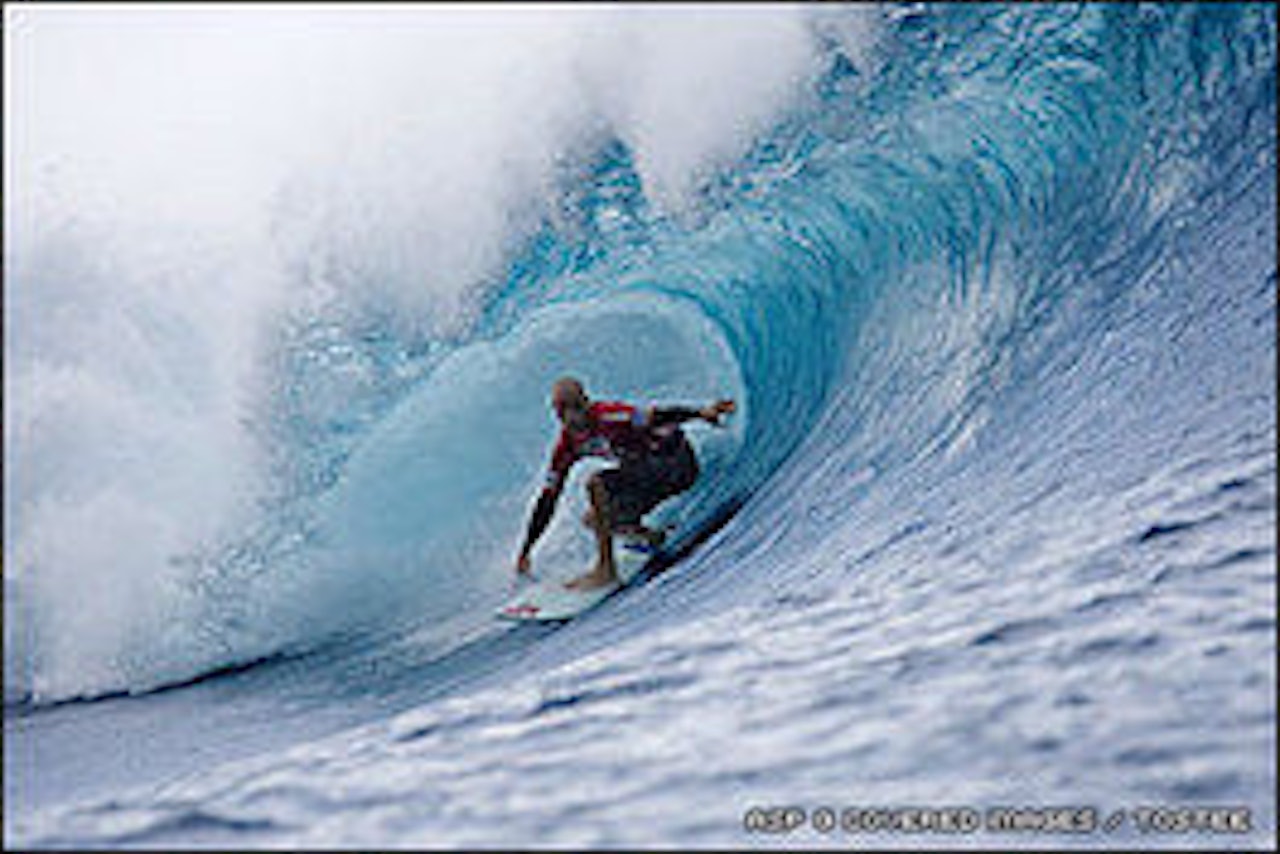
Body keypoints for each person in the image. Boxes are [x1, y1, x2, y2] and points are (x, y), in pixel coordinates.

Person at [516, 376, 736, 590]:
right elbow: (548, 498)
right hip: (648, 479)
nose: (572, 417)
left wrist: (701, 413)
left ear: (586, 402)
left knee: (596, 484)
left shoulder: (611, 417)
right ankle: (651, 537)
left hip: (675, 466)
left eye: (576, 407)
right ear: (557, 414)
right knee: (594, 520)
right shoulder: (567, 446)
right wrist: (527, 549)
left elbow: (657, 415)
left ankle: (605, 571)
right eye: (564, 411)